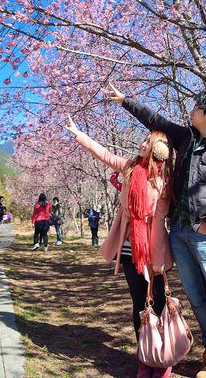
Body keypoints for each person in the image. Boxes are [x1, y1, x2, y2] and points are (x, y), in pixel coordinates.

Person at [107, 83, 206, 378]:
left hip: (205, 234)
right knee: (197, 298)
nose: (191, 111)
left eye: (196, 108)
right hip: (179, 230)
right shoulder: (186, 138)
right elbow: (156, 121)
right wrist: (126, 101)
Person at [65, 116, 175, 378]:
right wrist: (78, 133)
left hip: (154, 248)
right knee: (139, 303)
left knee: (158, 302)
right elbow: (103, 153)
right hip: (129, 248)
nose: (142, 143)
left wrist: (157, 260)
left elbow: (160, 217)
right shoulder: (129, 168)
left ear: (158, 149)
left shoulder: (165, 179)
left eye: (148, 142)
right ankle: (145, 357)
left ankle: (163, 360)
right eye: (143, 139)